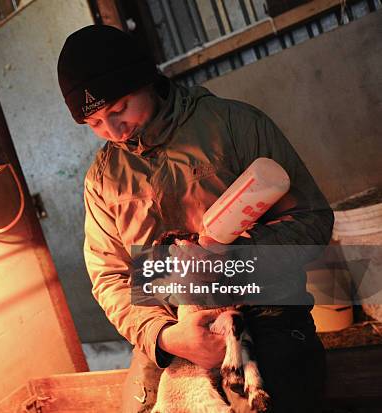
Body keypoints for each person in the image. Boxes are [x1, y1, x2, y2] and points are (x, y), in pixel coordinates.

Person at [57, 25, 332, 412]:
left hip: (264, 316)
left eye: (119, 109)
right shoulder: (102, 180)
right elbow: (110, 277)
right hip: (173, 333)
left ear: (146, 79)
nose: (113, 131)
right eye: (96, 123)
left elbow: (313, 221)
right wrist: (165, 337)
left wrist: (235, 256)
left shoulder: (236, 126)